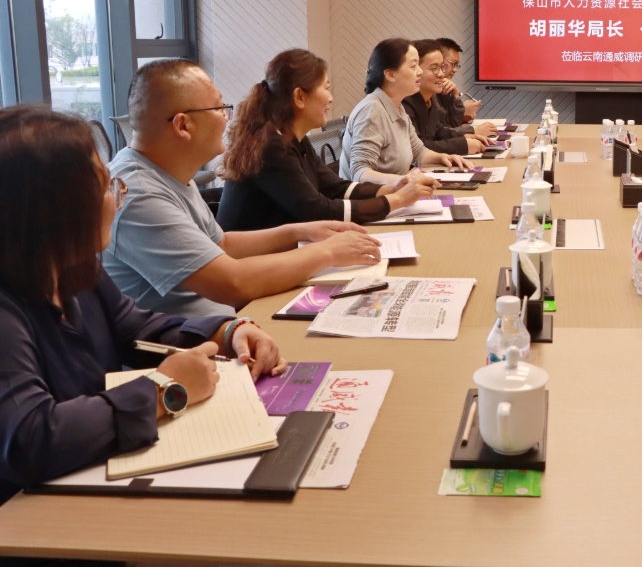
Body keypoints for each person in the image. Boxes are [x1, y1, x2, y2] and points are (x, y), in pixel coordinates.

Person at [0, 105, 287, 506]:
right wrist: (161, 392)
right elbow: (28, 439)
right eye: (105, 187)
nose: (117, 198)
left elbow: (138, 329)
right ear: (53, 210)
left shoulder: (77, 270)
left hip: (89, 481)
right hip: (32, 516)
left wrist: (228, 332)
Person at [103, 59, 383, 319]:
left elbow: (221, 244)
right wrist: (328, 252)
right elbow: (232, 282)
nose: (227, 117)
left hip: (229, 324)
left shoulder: (168, 171)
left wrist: (300, 232)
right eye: (219, 108)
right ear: (183, 125)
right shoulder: (137, 191)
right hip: (192, 343)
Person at [216, 48, 437, 231]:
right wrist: (398, 201)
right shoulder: (271, 146)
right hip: (252, 262)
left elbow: (334, 187)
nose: (331, 98)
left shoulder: (293, 139)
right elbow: (316, 210)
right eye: (326, 88)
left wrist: (391, 189)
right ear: (299, 97)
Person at [339, 39, 473, 183]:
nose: (420, 72)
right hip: (375, 195)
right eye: (414, 66)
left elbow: (418, 151)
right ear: (391, 75)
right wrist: (403, 181)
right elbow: (360, 173)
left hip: (397, 192)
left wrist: (443, 158)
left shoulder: (397, 107)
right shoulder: (372, 111)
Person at [402, 40, 489, 156]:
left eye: (442, 67)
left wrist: (466, 136)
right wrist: (462, 144)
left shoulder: (429, 99)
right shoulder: (405, 102)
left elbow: (439, 131)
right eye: (434, 68)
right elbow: (416, 147)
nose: (442, 74)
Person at [435, 38, 499, 140]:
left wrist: (456, 97)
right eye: (453, 64)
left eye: (457, 65)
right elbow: (440, 135)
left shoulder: (445, 87)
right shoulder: (424, 93)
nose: (455, 70)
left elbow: (450, 126)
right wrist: (471, 129)